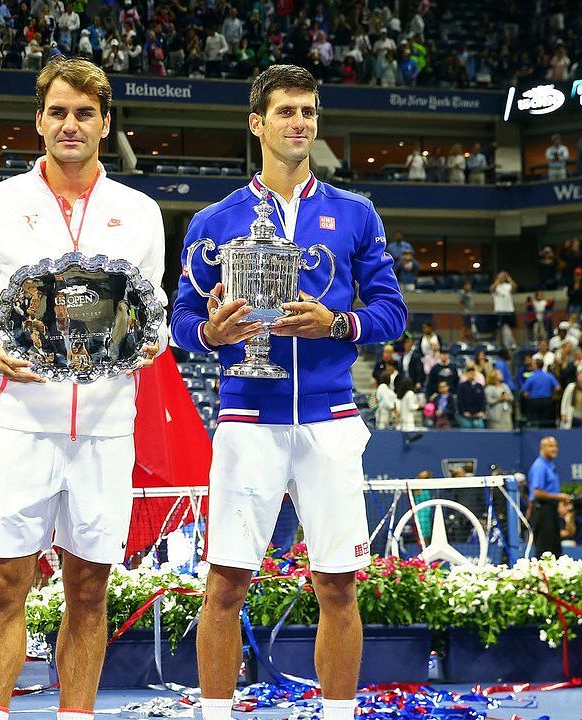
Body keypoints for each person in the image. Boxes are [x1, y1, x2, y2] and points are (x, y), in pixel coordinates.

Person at [170, 65, 407, 720]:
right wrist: (212, 334)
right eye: (285, 112)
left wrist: (342, 323)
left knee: (337, 586)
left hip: (330, 420)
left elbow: (393, 311)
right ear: (258, 124)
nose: (299, 122)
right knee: (225, 583)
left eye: (308, 111)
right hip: (248, 417)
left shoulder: (355, 214)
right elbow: (180, 323)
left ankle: (338, 715)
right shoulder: (215, 221)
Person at [0, 58, 167, 720]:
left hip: (105, 428)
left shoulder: (140, 212)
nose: (71, 124)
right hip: (21, 426)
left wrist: (153, 341)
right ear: (38, 120)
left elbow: (151, 311)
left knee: (89, 589)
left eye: (85, 113)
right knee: (3, 587)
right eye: (59, 112)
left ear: (105, 122)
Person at [529, 436, 568, 557]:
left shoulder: (550, 465)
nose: (555, 449)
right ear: (542, 448)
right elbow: (537, 492)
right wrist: (559, 497)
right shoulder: (540, 466)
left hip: (551, 511)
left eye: (556, 446)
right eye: (551, 446)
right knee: (545, 551)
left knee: (554, 548)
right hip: (543, 511)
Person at [521, 357, 559, 428]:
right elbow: (557, 388)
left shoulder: (531, 377)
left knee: (534, 423)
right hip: (547, 402)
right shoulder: (549, 376)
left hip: (534, 403)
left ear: (536, 365)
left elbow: (525, 393)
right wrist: (551, 393)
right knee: (546, 423)